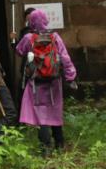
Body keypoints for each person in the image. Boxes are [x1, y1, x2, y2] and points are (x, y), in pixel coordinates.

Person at [16, 9, 77, 154]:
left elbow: (19, 51)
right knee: (54, 110)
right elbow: (65, 58)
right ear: (45, 20)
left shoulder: (28, 38)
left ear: (31, 22)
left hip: (36, 82)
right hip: (54, 82)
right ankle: (60, 143)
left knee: (40, 114)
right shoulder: (55, 37)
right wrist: (70, 77)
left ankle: (45, 148)